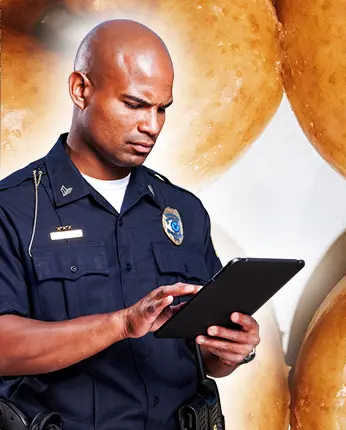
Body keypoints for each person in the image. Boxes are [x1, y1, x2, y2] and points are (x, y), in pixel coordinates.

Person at [0, 20, 260, 429]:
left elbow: (205, 358)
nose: (152, 126)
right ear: (80, 90)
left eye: (162, 109)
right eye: (135, 105)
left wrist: (231, 350)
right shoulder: (15, 209)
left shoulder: (183, 211)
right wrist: (121, 325)